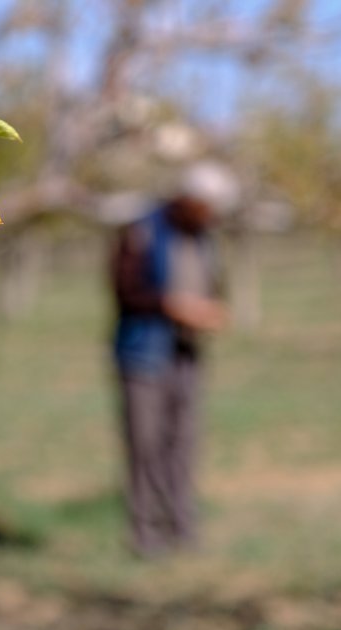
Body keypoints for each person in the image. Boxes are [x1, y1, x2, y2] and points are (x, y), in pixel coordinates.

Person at [109, 163, 234, 557]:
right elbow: (124, 290)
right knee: (146, 444)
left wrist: (211, 311)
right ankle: (146, 534)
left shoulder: (204, 238)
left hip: (186, 352)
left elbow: (212, 283)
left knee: (183, 442)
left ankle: (182, 528)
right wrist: (172, 307)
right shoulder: (142, 230)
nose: (210, 216)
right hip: (143, 353)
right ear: (188, 200)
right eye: (206, 207)